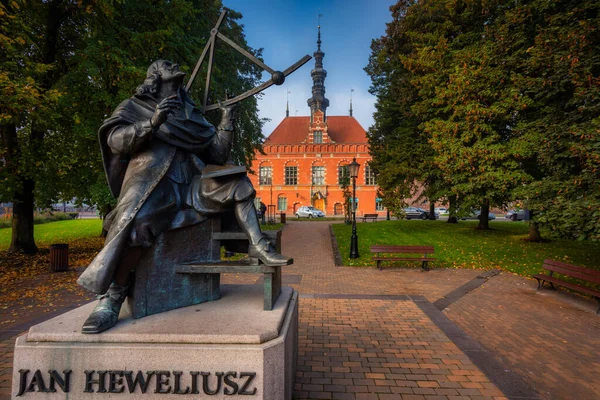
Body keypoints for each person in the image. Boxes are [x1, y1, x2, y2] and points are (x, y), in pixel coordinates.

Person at [77, 60, 291, 334]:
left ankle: (260, 247)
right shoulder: (135, 106)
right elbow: (116, 142)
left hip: (191, 181)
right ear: (155, 75)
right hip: (154, 183)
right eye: (167, 64)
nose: (174, 63)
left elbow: (216, 155)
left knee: (238, 183)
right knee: (138, 225)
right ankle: (113, 297)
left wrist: (227, 120)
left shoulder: (191, 113)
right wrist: (153, 123)